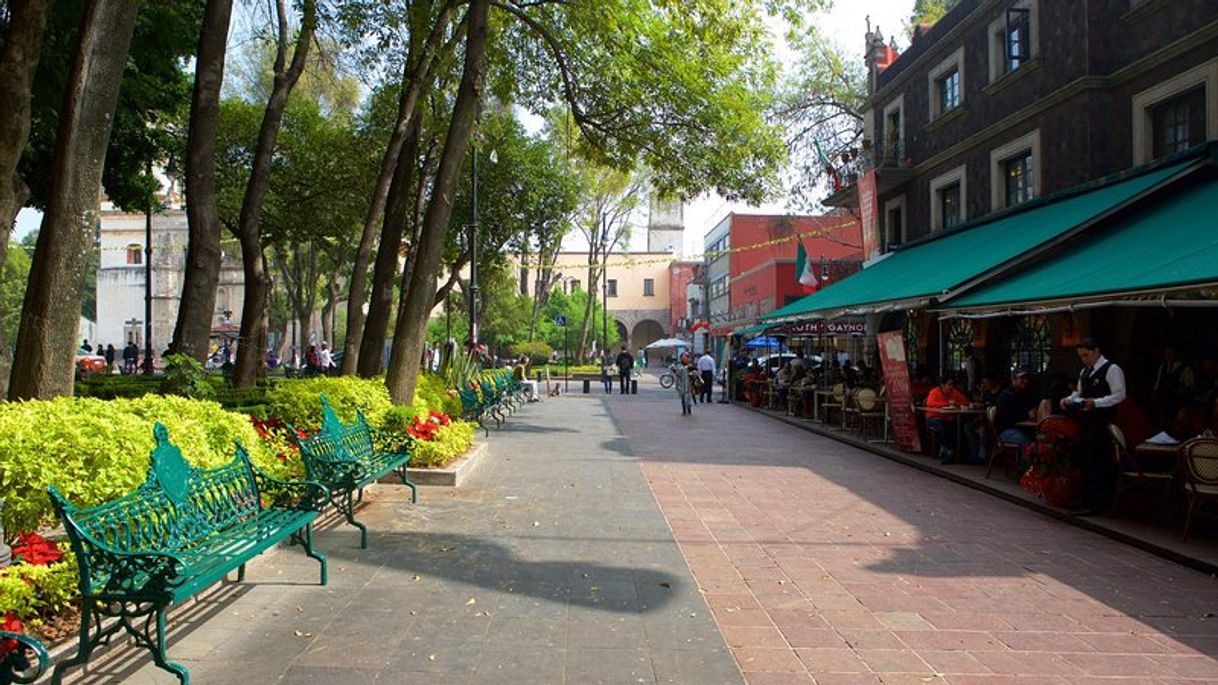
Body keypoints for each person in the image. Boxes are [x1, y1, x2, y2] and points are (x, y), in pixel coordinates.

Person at [1059, 338, 1126, 515]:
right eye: (1081, 356)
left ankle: (1099, 504)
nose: (1084, 359)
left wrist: (1097, 403)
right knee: (1086, 461)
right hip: (1086, 424)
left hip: (1102, 424)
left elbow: (1119, 395)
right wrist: (1069, 400)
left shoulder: (1112, 369)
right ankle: (1087, 500)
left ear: (1096, 351)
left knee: (1099, 463)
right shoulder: (1085, 372)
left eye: (1086, 355)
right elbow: (1080, 393)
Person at [994, 366, 1041, 454]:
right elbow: (1005, 418)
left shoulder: (1027, 394)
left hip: (1025, 429)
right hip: (1006, 431)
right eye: (1022, 378)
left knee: (1044, 440)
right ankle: (1026, 466)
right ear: (1013, 380)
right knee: (1029, 443)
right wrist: (1026, 415)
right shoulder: (1005, 396)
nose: (1025, 381)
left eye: (1026, 378)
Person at [926, 375, 972, 464]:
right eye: (949, 384)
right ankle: (948, 449)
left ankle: (956, 451)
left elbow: (966, 401)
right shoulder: (934, 392)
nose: (951, 387)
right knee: (941, 426)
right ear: (942, 385)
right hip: (933, 418)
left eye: (952, 385)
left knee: (957, 426)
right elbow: (930, 403)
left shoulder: (953, 392)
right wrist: (946, 404)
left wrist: (957, 404)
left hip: (948, 418)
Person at [1152, 343, 1195, 432]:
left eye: (1171, 353)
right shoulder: (1163, 366)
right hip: (1162, 401)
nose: (1168, 355)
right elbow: (1158, 383)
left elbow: (1189, 388)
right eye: (1166, 353)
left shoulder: (1186, 369)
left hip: (1176, 403)